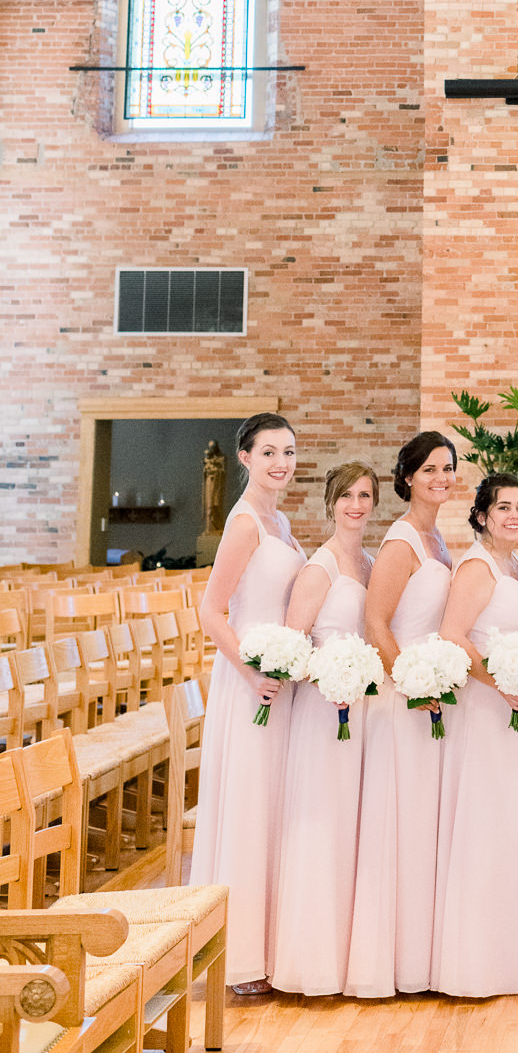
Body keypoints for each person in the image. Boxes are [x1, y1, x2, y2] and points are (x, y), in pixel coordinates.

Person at [191, 411, 306, 995]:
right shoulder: (243, 524)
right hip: (251, 681)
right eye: (269, 453)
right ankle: (238, 956)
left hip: (280, 679)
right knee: (249, 806)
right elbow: (211, 611)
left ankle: (270, 945)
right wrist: (252, 671)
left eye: (288, 452)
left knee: (274, 806)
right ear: (244, 458)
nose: (281, 463)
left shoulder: (280, 520)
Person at [344, 431, 456, 999]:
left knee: (425, 826)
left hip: (433, 695)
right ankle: (391, 960)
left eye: (448, 468)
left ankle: (424, 954)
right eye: (430, 469)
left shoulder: (437, 539)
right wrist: (413, 683)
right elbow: (376, 623)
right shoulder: (401, 542)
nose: (441, 477)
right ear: (408, 476)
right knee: (401, 824)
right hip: (403, 698)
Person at [271, 461, 378, 997]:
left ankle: (347, 954)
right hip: (324, 708)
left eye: (365, 496)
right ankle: (310, 959)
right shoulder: (321, 567)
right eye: (347, 497)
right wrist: (328, 674)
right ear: (330, 504)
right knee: (322, 821)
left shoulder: (371, 561)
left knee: (355, 825)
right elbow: (295, 644)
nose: (356, 506)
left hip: (364, 709)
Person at [432, 473, 518, 998]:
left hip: (512, 707)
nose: (515, 515)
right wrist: (499, 681)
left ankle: (509, 949)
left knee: (508, 823)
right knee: (485, 822)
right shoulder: (477, 566)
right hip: (485, 708)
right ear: (481, 516)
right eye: (504, 508)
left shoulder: (513, 564)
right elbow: (453, 633)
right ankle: (476, 960)